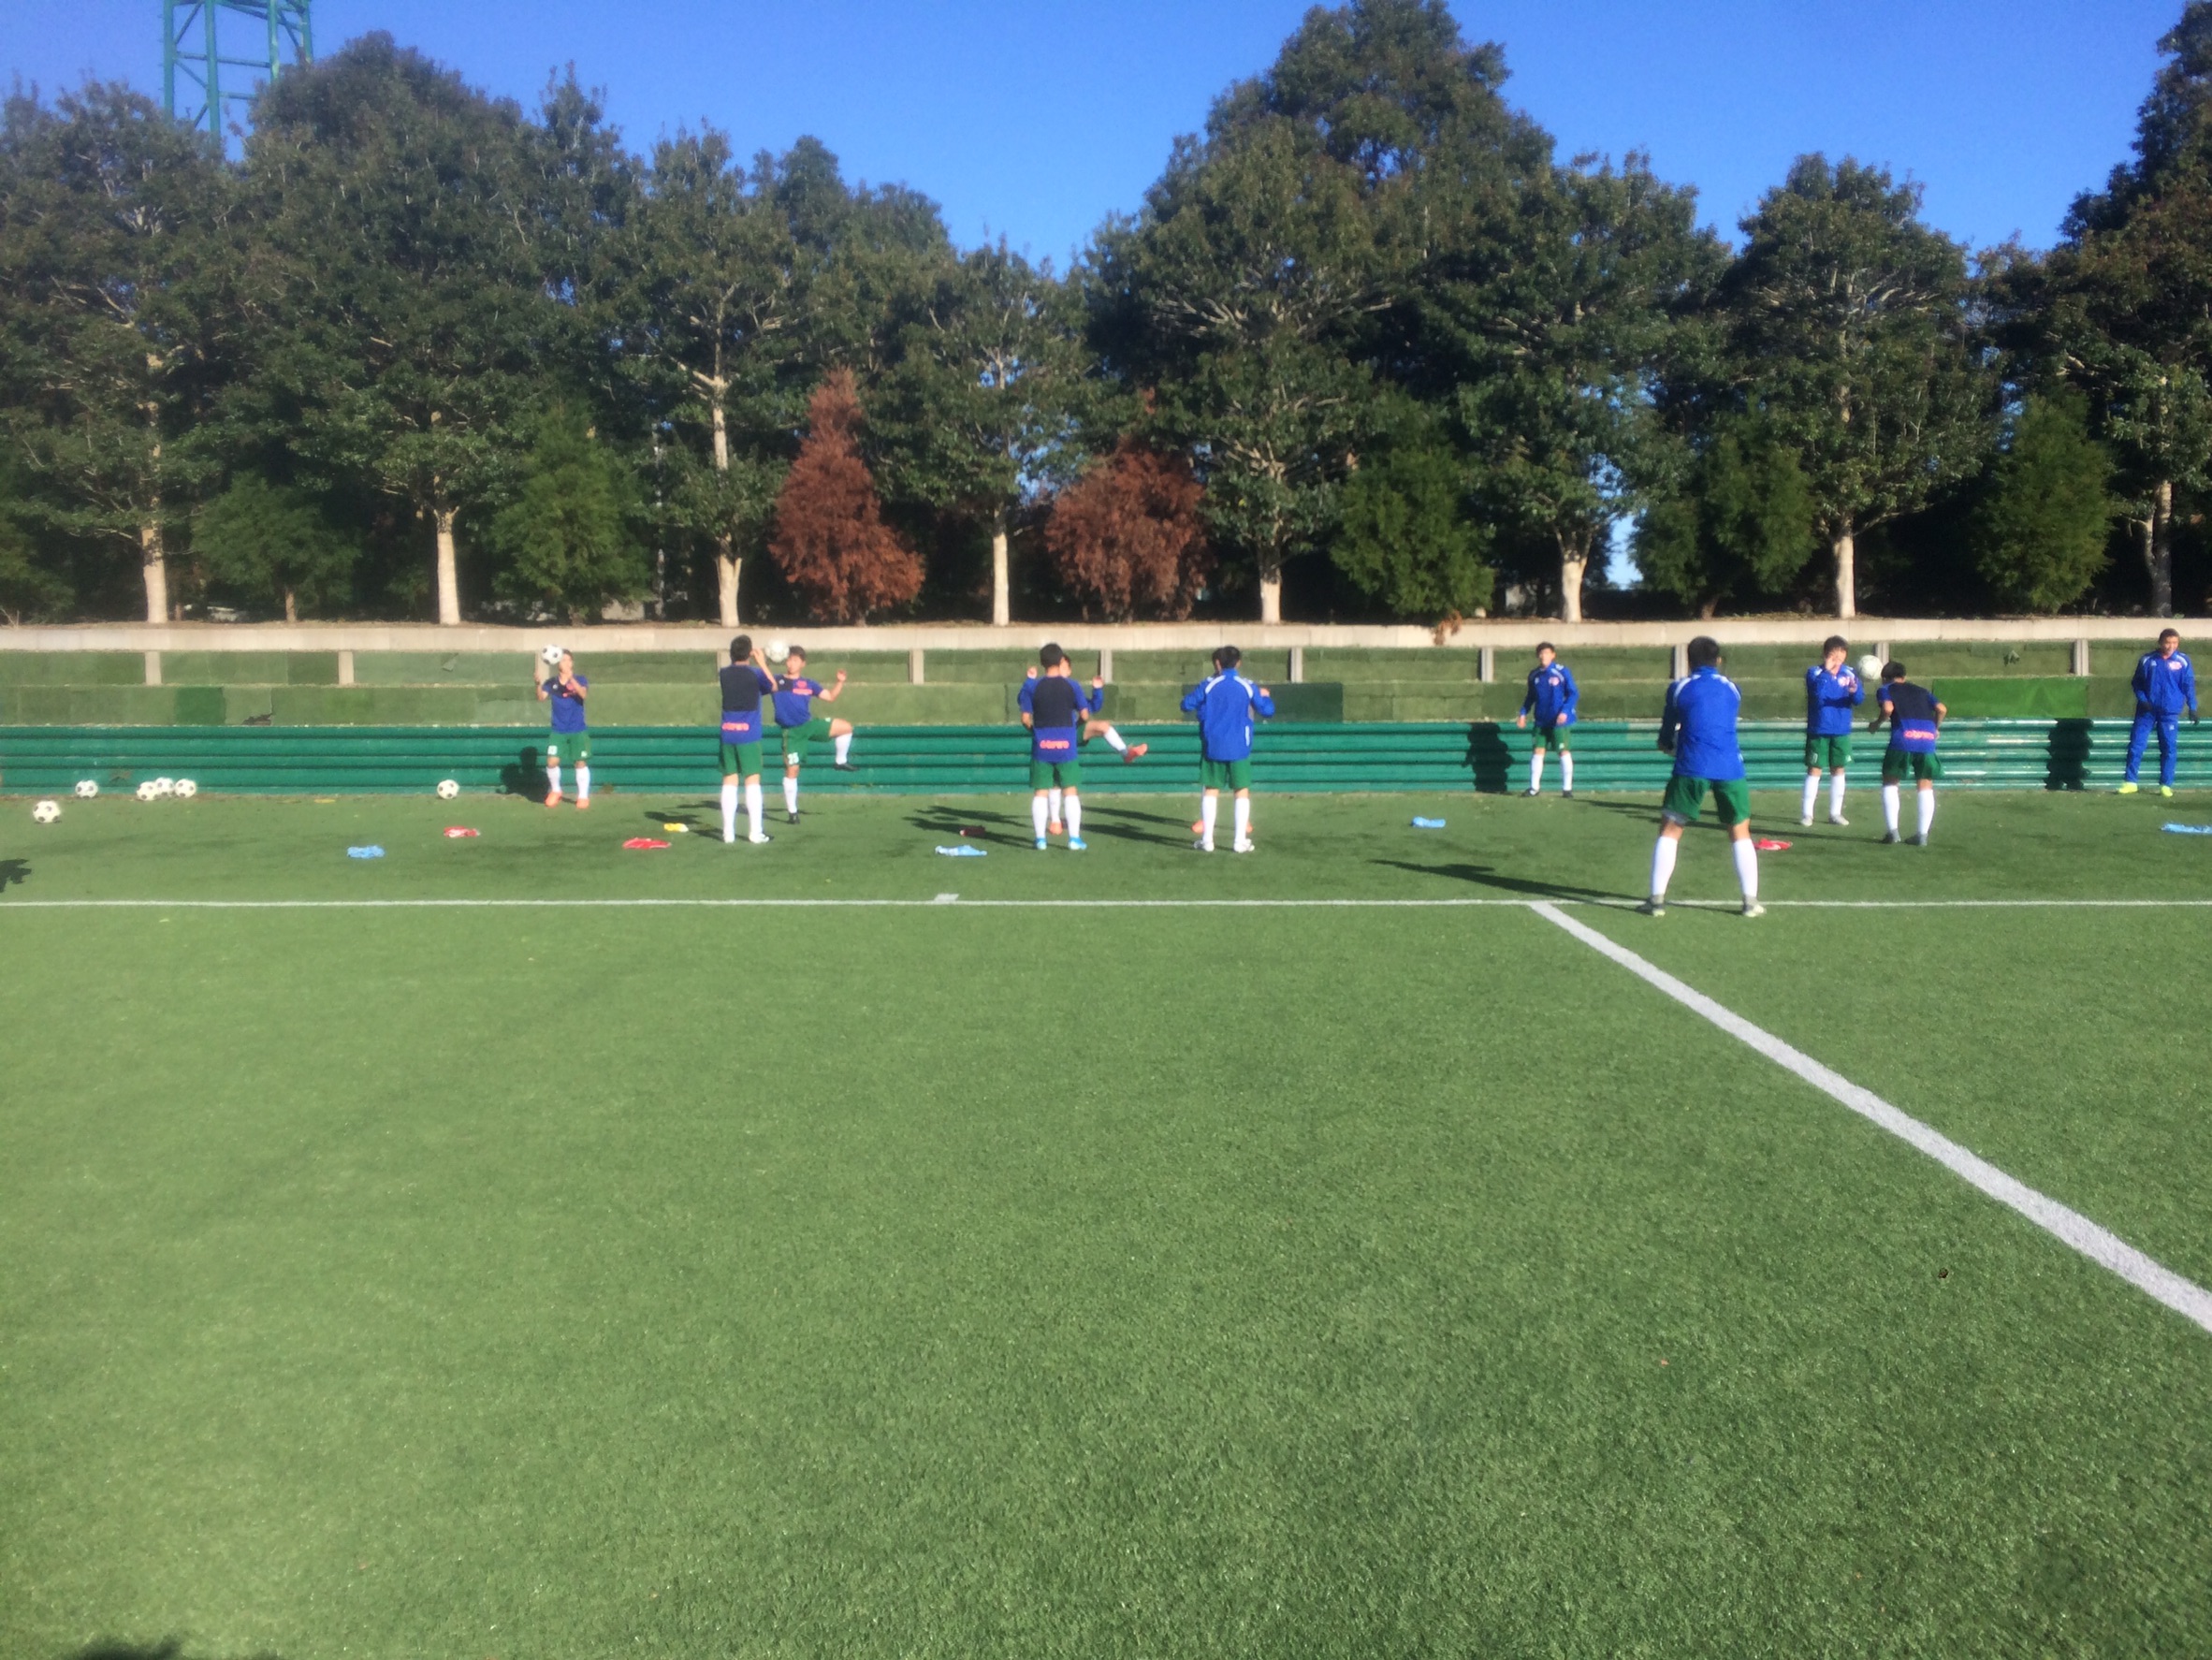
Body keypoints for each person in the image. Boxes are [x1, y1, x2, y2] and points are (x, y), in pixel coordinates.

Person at [1640, 636, 1761, 918]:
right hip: (1730, 766)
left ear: (1689, 660)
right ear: (1718, 660)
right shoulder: (1733, 688)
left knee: (1670, 830)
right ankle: (1750, 901)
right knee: (1740, 830)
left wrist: (1669, 745)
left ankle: (1656, 900)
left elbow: (1667, 733)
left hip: (1692, 765)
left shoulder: (1679, 688)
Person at [1181, 645, 1275, 853]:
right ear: (1238, 663)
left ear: (1217, 663)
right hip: (1239, 745)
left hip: (1213, 743)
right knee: (1241, 790)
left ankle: (1207, 840)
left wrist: (1204, 709)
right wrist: (1265, 696)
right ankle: (1239, 841)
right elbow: (1267, 710)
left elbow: (1186, 705)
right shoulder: (1247, 685)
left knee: (1211, 789)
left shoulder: (1209, 684)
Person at [772, 646, 855, 823]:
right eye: (789, 660)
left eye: (795, 660)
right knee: (792, 771)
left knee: (846, 727)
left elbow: (830, 697)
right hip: (792, 732)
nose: (791, 663)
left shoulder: (808, 683)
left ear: (803, 663)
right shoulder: (778, 681)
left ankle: (840, 761)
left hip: (808, 725)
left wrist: (840, 681)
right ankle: (793, 813)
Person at [1021, 644, 1092, 850]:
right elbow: (1085, 715)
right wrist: (1073, 728)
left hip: (1042, 745)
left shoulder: (1033, 687)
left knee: (1040, 792)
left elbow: (1025, 719)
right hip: (1066, 745)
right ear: (1061, 661)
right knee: (1070, 791)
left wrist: (1036, 732)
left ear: (1042, 663)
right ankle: (1074, 839)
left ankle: (1040, 840)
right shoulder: (1072, 686)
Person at [1870, 662, 1945, 846]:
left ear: (1884, 678)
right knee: (1925, 785)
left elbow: (1888, 709)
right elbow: (1942, 709)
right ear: (1904, 677)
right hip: (1926, 739)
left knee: (1890, 782)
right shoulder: (1922, 691)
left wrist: (1877, 723)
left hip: (1903, 738)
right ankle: (1922, 835)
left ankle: (1893, 832)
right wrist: (1935, 728)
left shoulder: (1886, 689)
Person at [2120, 628, 2198, 797]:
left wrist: (2192, 707)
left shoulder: (2183, 661)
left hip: (2169, 712)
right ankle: (2130, 782)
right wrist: (2143, 700)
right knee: (2136, 745)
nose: (2171, 646)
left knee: (2169, 748)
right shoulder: (2147, 660)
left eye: (2175, 643)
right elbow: (2137, 683)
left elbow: (2188, 685)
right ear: (2160, 642)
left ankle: (2165, 785)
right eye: (2168, 642)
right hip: (2146, 711)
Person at [717, 635, 776, 845]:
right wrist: (762, 662)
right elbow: (773, 686)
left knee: (729, 780)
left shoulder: (723, 674)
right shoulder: (755, 674)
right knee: (752, 781)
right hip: (748, 734)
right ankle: (755, 832)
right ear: (750, 653)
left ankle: (728, 833)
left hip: (727, 732)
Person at [1800, 635, 1865, 826]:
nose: (1838, 657)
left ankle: (1835, 813)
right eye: (1833, 653)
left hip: (1841, 729)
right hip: (1819, 729)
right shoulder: (1814, 672)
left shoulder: (1850, 673)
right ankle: (1807, 814)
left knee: (1839, 769)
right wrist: (1827, 673)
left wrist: (1855, 691)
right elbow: (1817, 694)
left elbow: (1859, 700)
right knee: (1815, 769)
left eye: (1842, 653)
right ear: (1825, 654)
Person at [1516, 642, 1579, 797]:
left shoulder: (1562, 672)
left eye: (1547, 653)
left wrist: (1565, 711)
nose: (1544, 656)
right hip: (1541, 720)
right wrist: (1523, 713)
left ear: (1553, 655)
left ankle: (1567, 789)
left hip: (1559, 721)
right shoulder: (1534, 675)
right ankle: (1534, 788)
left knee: (1563, 751)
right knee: (1538, 751)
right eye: (1541, 653)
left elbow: (1573, 693)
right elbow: (1530, 697)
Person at [536, 649, 590, 808]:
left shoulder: (580, 679)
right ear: (557, 663)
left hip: (577, 728)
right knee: (552, 761)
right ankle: (556, 791)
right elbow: (541, 697)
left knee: (580, 762)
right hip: (558, 729)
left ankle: (583, 796)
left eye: (568, 660)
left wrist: (570, 678)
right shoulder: (552, 683)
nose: (566, 663)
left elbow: (583, 694)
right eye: (563, 660)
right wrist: (538, 683)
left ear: (572, 663)